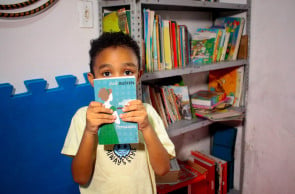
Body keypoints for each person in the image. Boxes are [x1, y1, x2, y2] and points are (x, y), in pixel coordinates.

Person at [61, 32, 175, 194]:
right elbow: (80, 177)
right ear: (93, 80)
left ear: (138, 76)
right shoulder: (82, 117)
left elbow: (163, 169)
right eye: (107, 73)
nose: (117, 80)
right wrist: (89, 131)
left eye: (127, 72)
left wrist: (146, 127)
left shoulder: (147, 113)